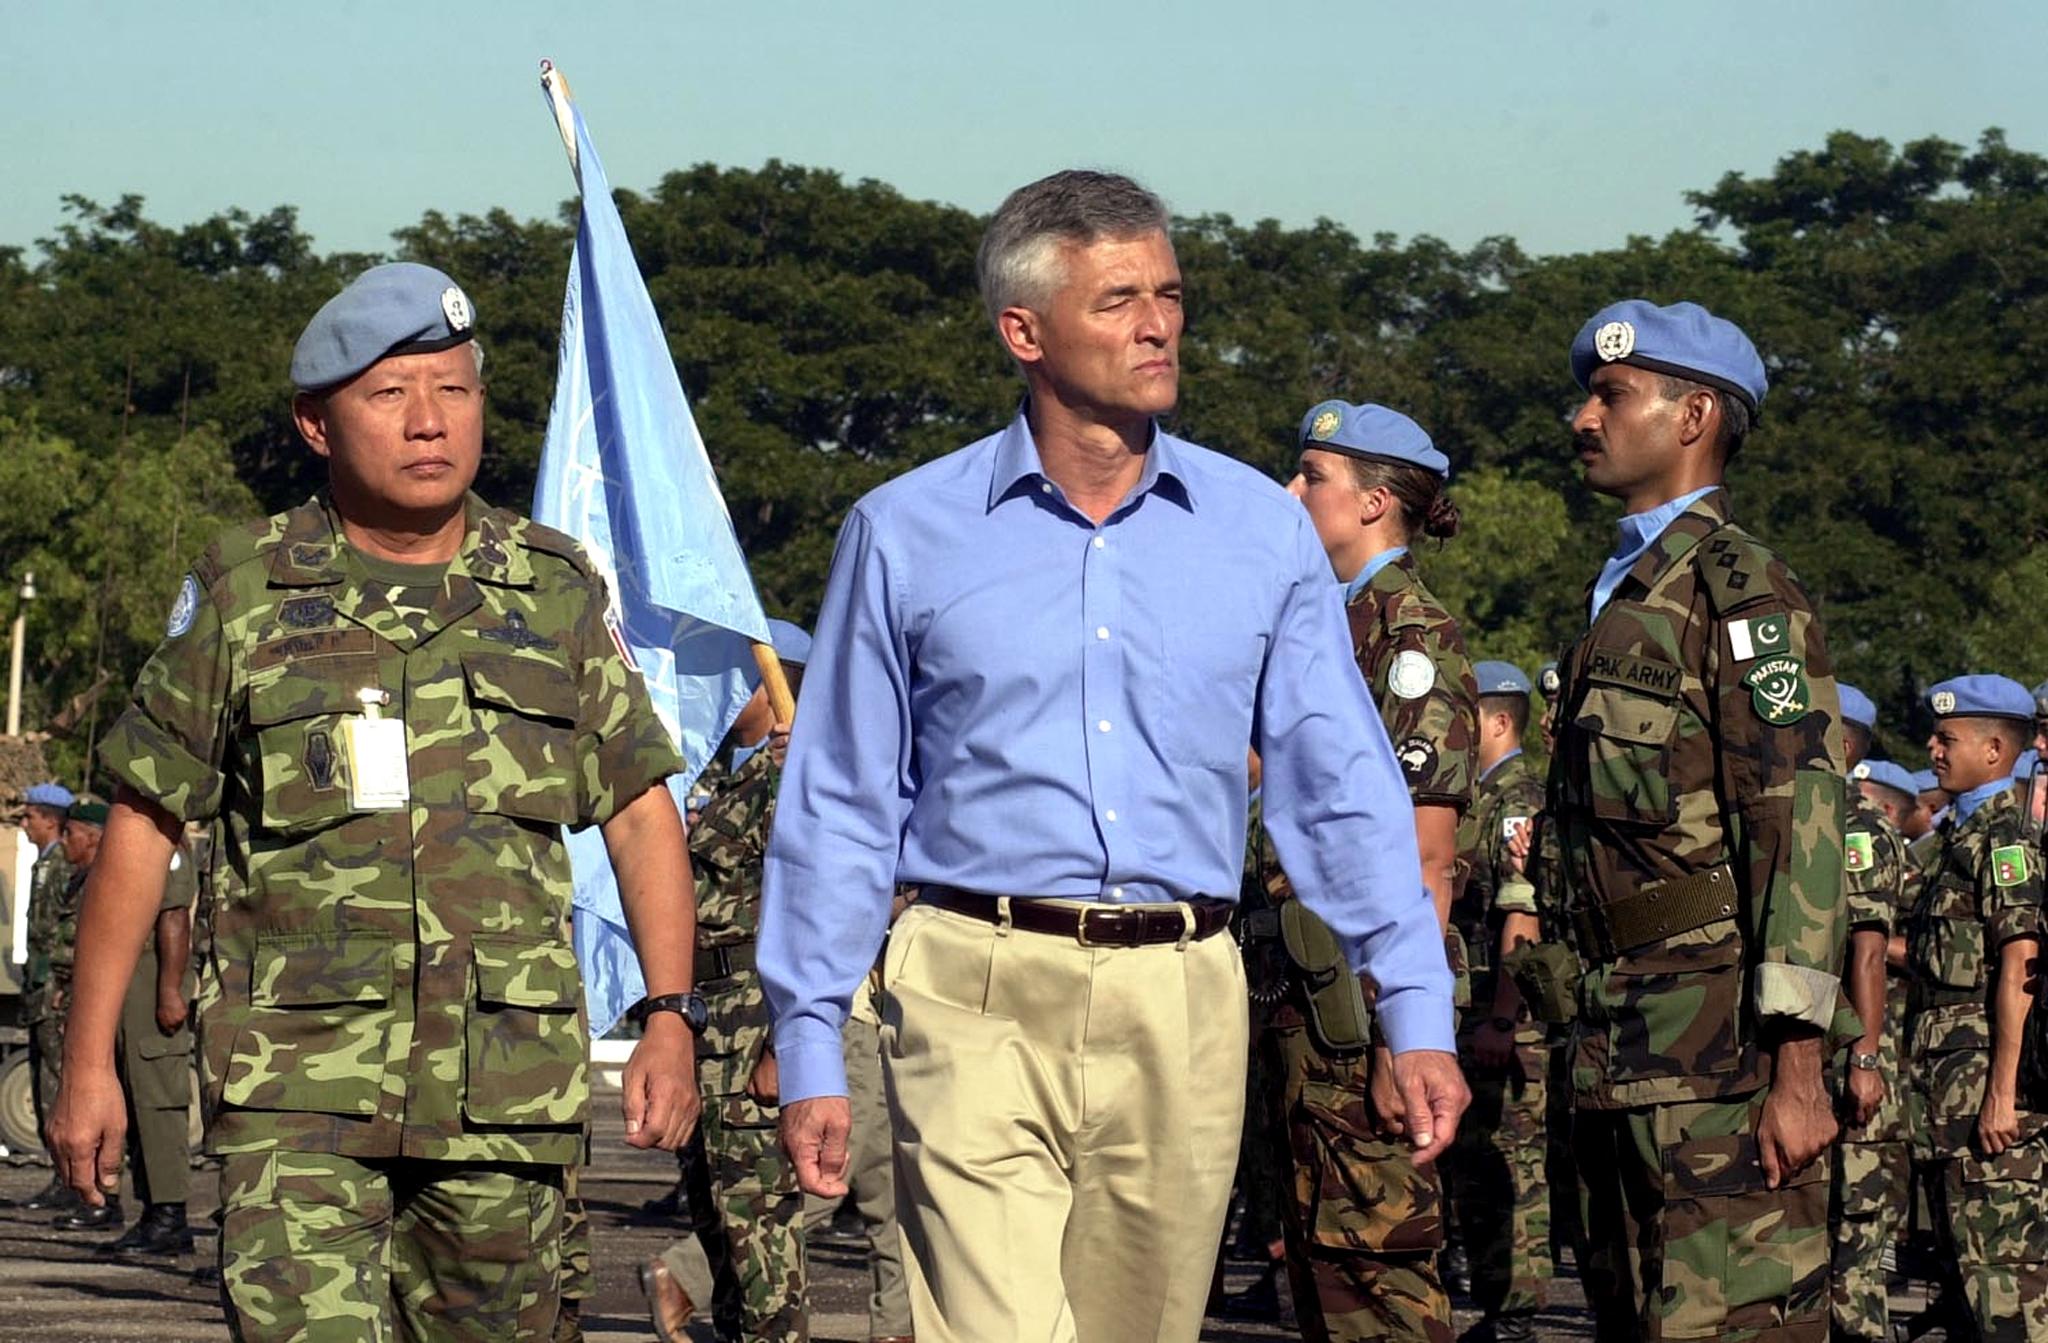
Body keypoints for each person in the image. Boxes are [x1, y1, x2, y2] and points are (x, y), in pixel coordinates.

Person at [758, 169, 1466, 1343]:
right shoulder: (902, 531)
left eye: (1170, 294)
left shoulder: (1259, 532)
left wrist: (1416, 1005)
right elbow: (839, 799)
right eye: (1118, 299)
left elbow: (1336, 785)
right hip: (970, 980)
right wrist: (807, 1032)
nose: (1156, 325)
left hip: (1178, 994)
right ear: (1022, 331)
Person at [48, 261, 703, 1341]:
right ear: (317, 422)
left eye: (453, 388)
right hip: (295, 1097)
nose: (429, 422)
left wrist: (668, 1016)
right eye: (390, 395)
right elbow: (143, 822)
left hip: (505, 1104)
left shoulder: (552, 590)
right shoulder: (245, 591)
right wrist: (86, 1068)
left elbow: (638, 810)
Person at [1547, 299, 1848, 1343]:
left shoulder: (1739, 588)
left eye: (1610, 396)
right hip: (1619, 1045)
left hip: (1719, 1062)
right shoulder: (1621, 593)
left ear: (1693, 416)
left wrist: (1798, 1065)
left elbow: (1796, 823)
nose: (1582, 419)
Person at [1255, 397, 1478, 1343]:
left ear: (1378, 501)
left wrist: (1405, 1032)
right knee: (1317, 1270)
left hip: (1363, 1010)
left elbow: (1428, 856)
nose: (1290, 490)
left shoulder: (1409, 638)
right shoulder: (1327, 624)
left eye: (1314, 477)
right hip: (1302, 1002)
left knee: (1377, 1273)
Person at [644, 617, 813, 1343]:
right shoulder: (713, 771)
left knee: (760, 1232)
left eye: (726, 667)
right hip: (705, 1014)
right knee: (717, 1220)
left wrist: (789, 1041)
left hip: (755, 1012)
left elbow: (812, 908)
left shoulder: (797, 773)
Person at [1902, 675, 2048, 1340]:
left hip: (1983, 1090)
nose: (1933, 748)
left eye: (1947, 738)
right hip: (1944, 1091)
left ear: (1995, 750)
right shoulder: (1953, 840)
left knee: (2006, 1290)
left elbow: (2019, 967)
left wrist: (2003, 1094)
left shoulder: (2005, 838)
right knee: (1966, 1282)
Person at [1446, 661, 1551, 1343]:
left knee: (1511, 1165)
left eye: (1467, 715)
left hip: (1503, 1015)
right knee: (1478, 1168)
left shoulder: (1518, 798)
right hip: (1475, 1008)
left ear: (1499, 721)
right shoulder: (1478, 796)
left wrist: (1504, 1018)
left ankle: (1515, 1313)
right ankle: (1496, 1305)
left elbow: (1522, 916)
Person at [1829, 686, 1912, 1343]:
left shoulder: (1858, 828)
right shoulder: (1814, 817)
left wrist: (1864, 1054)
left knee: (1855, 1236)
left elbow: (1868, 952)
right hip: (1816, 1048)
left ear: (1844, 743)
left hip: (1849, 1050)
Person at [91, 833, 196, 1255]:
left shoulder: (165, 846)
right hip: (133, 991)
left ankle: (171, 1217)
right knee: (136, 1104)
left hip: (154, 989)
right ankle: (154, 1213)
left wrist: (170, 990)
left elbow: (174, 916)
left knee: (158, 1104)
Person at [47, 802, 117, 1230]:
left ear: (92, 837)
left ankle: (109, 1201)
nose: (64, 841)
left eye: (71, 833)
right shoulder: (78, 880)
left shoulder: (106, 880)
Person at [10, 781, 75, 1213]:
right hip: (41, 986)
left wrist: (58, 982)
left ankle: (71, 1180)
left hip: (55, 988)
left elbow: (61, 931)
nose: (25, 823)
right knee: (42, 1083)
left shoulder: (63, 866)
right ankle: (60, 1177)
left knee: (58, 1084)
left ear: (51, 819)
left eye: (30, 815)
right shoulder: (44, 863)